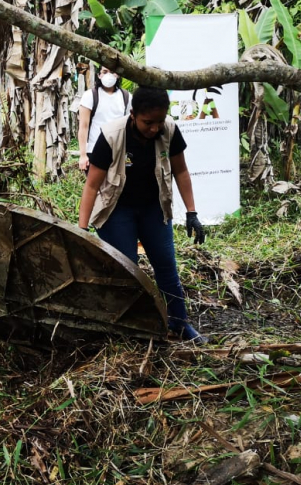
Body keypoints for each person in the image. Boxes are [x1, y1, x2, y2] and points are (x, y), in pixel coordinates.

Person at [77, 85, 208, 344]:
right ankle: (131, 329)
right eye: (148, 122)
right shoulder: (112, 135)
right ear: (133, 114)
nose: (154, 128)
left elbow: (181, 171)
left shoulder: (168, 130)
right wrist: (81, 231)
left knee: (166, 267)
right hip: (117, 211)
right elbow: (92, 185)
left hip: (154, 208)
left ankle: (179, 324)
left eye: (159, 121)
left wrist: (192, 212)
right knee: (127, 271)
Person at [78, 66, 131, 172]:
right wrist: (83, 155)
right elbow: (83, 126)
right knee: (95, 187)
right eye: (105, 72)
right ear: (99, 75)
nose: (109, 75)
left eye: (112, 72)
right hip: (95, 150)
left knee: (117, 187)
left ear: (118, 75)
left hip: (118, 153)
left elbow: (129, 126)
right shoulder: (90, 96)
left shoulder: (127, 97)